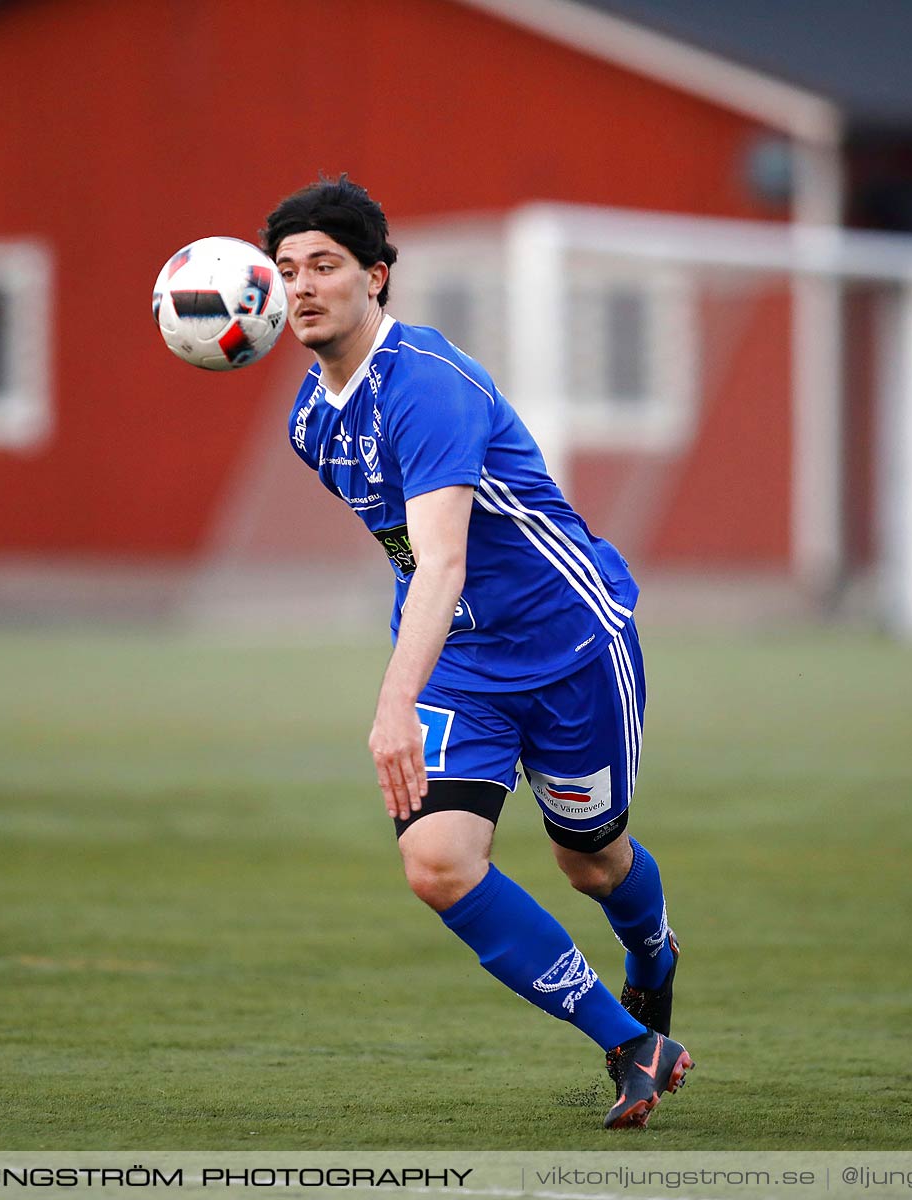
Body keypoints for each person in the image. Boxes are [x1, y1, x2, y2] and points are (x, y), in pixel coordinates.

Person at [266, 176, 690, 1129]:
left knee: (591, 862)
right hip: (464, 669)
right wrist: (416, 686)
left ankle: (654, 951)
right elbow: (412, 557)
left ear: (376, 279)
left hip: (572, 644)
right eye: (287, 270)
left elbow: (445, 558)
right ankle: (630, 1042)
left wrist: (388, 707)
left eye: (325, 266)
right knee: (438, 862)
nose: (302, 286)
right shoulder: (310, 421)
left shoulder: (425, 385)